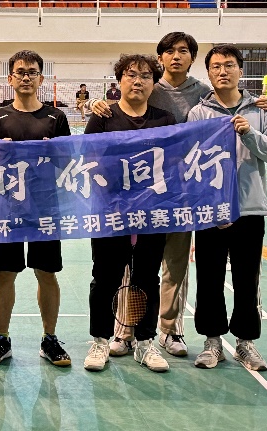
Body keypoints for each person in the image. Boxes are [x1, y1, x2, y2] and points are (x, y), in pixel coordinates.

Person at [87, 32, 267, 360]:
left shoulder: (203, 95)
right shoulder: (146, 86)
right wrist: (95, 103)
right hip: (125, 204)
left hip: (179, 198)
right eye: (170, 51)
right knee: (125, 271)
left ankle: (170, 330)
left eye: (184, 51)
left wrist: (263, 105)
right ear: (160, 58)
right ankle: (124, 331)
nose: (176, 56)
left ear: (192, 59)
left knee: (175, 266)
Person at [188, 45, 267, 372]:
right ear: (208, 73)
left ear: (240, 71)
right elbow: (189, 161)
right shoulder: (198, 113)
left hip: (249, 209)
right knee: (209, 278)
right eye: (216, 66)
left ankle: (246, 343)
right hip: (210, 212)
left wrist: (250, 134)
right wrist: (206, 205)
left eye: (229, 65)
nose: (223, 71)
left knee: (247, 278)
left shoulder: (260, 111)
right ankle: (212, 342)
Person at [82, 54, 176, 374]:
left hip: (151, 215)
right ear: (119, 80)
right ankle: (100, 340)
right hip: (110, 215)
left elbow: (174, 165)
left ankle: (145, 342)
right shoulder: (103, 118)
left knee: (147, 278)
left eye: (146, 76)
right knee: (105, 278)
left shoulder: (165, 120)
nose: (138, 81)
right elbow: (88, 163)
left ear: (154, 83)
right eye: (131, 74)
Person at [0, 50, 72, 369]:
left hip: (45, 207)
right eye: (20, 72)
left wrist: (52, 152)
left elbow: (66, 163)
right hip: (7, 208)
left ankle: (50, 339)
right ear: (10, 78)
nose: (26, 77)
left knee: (46, 273)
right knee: (5, 273)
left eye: (32, 72)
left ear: (41, 78)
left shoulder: (56, 118)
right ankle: (2, 339)